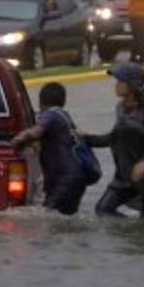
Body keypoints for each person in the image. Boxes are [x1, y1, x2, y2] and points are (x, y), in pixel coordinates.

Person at [85, 63, 144, 222]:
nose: (116, 86)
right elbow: (113, 138)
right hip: (125, 174)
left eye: (120, 81)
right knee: (103, 210)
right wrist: (86, 138)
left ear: (133, 85)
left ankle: (140, 234)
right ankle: (131, 230)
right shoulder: (120, 108)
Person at [11, 82, 88, 215]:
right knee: (66, 220)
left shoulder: (50, 114)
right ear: (63, 100)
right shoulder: (64, 115)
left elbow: (34, 133)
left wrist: (14, 142)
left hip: (65, 180)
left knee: (47, 215)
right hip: (77, 178)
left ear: (41, 100)